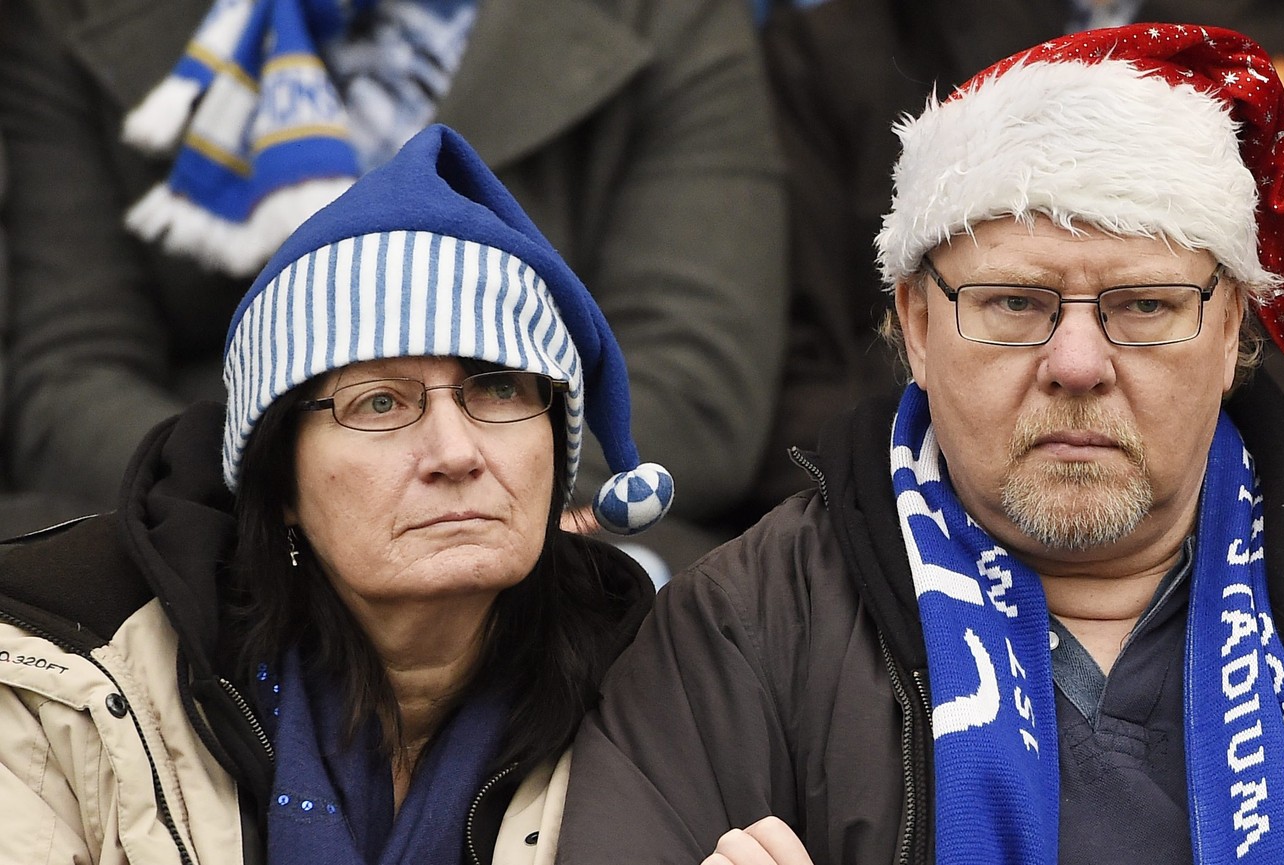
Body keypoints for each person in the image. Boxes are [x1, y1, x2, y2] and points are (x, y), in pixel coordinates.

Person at [556, 25, 1284, 865]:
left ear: (1237, 326)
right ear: (917, 324)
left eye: (1145, 306)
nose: (1077, 361)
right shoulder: (736, 637)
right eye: (1013, 303)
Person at [0, 124, 670, 863]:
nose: (455, 452)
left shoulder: (663, 695)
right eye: (379, 403)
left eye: (501, 387)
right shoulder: (59, 676)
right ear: (279, 477)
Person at [0, 0, 786, 572]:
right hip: (206, 506)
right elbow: (68, 375)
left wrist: (467, 505)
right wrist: (288, 503)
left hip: (553, 502)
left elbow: (696, 379)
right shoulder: (74, 19)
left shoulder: (665, 17)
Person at [744, 0, 1284, 515]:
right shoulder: (834, 54)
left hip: (1279, 510)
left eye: (1146, 303)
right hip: (904, 507)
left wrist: (1230, 495)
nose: (1078, 360)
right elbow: (785, 369)